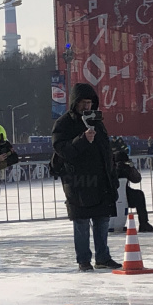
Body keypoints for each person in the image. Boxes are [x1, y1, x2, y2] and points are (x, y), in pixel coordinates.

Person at [51, 83, 121, 272]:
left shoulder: (97, 121)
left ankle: (103, 257)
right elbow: (61, 149)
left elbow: (106, 152)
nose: (87, 106)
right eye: (83, 102)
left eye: (90, 102)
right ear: (75, 103)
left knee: (102, 220)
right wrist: (82, 140)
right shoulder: (63, 123)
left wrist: (111, 176)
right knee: (81, 222)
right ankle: (83, 260)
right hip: (78, 183)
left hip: (100, 181)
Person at [113, 150, 153, 232]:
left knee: (139, 195)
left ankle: (144, 223)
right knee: (139, 195)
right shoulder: (110, 167)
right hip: (111, 194)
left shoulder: (125, 167)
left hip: (124, 194)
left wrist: (130, 168)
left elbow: (136, 179)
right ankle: (143, 223)